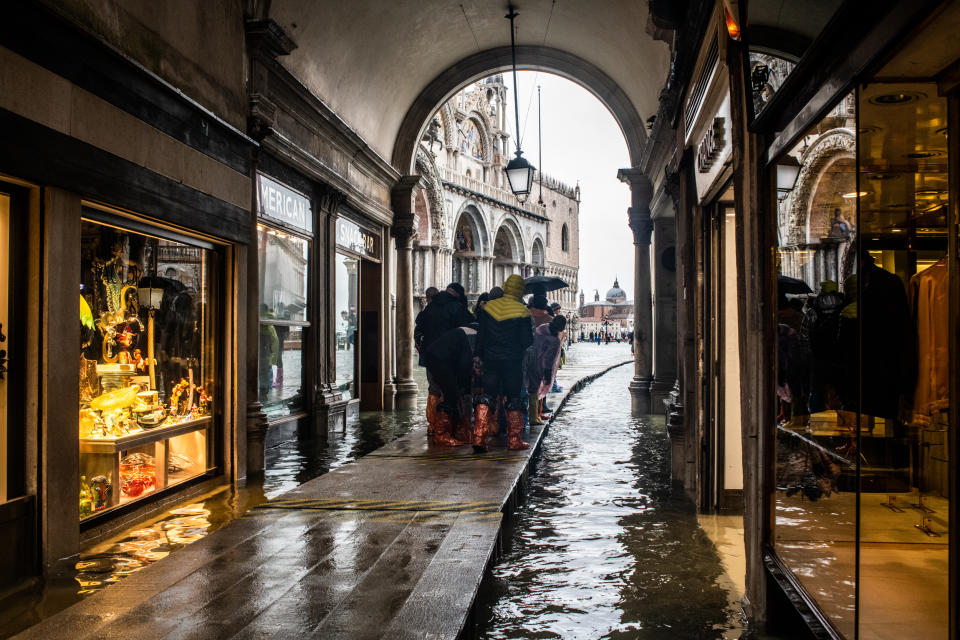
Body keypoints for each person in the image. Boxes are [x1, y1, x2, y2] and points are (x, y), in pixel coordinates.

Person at [473, 274, 534, 453]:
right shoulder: (522, 311)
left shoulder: (488, 308)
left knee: (487, 396)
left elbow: (481, 336)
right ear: (520, 290)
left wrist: (479, 356)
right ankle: (514, 440)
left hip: (490, 360)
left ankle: (478, 437)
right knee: (514, 398)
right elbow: (526, 340)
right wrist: (515, 348)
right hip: (512, 362)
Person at [414, 282, 475, 434]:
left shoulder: (430, 307)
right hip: (450, 357)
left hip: (430, 356)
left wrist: (423, 348)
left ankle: (433, 425)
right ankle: (456, 427)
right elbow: (467, 330)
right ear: (458, 294)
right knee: (453, 390)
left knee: (433, 389)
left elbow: (418, 330)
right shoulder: (457, 308)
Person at [422, 323, 479, 446]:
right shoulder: (474, 338)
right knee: (452, 395)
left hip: (434, 358)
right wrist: (466, 387)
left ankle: (444, 431)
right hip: (439, 361)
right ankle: (441, 436)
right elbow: (465, 365)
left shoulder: (464, 332)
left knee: (452, 393)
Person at [526, 315, 566, 425]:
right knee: (536, 391)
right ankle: (533, 417)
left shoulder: (542, 328)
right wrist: (548, 374)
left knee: (532, 389)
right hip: (539, 367)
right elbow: (548, 360)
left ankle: (535, 415)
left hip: (528, 361)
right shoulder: (554, 340)